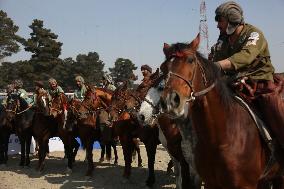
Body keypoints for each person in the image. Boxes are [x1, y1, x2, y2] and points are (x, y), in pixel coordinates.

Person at [211, 1, 284, 149]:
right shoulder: (223, 40)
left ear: (232, 20)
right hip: (233, 82)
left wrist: (217, 66)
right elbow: (214, 58)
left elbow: (245, 56)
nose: (217, 25)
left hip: (260, 82)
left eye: (220, 20)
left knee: (275, 111)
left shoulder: (253, 34)